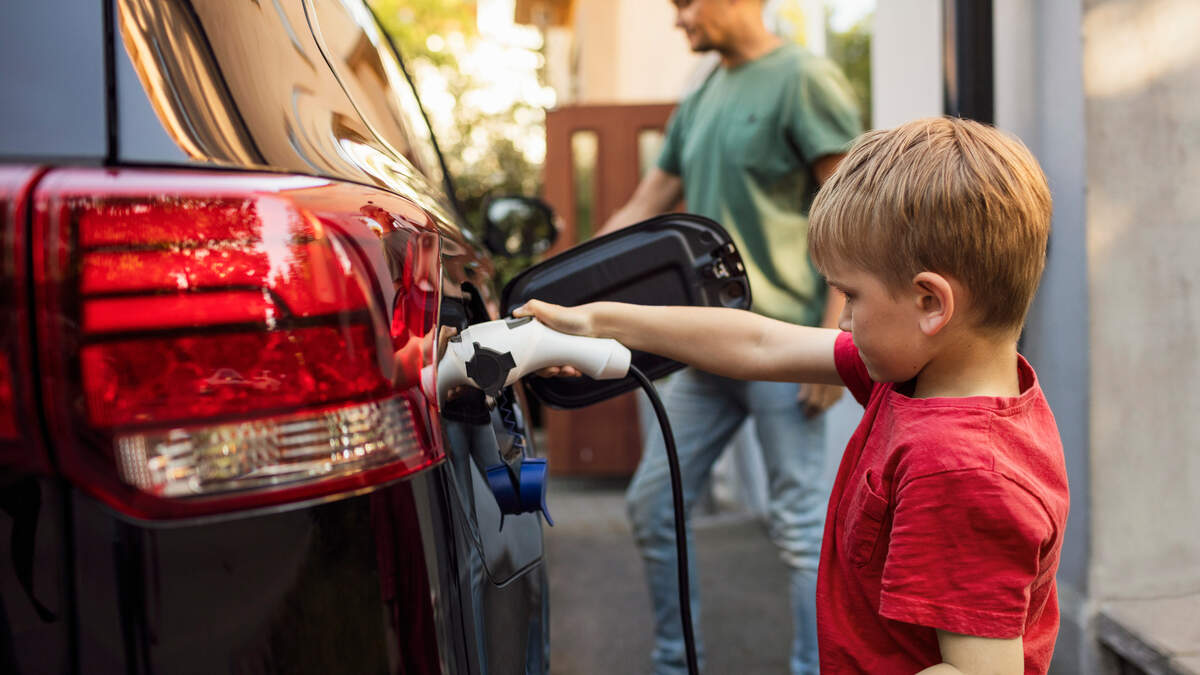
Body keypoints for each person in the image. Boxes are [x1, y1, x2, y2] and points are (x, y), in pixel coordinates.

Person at [519, 116, 1069, 674]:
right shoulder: (925, 375)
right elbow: (759, 341)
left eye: (850, 296)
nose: (845, 321)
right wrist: (601, 323)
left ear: (931, 303)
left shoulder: (961, 472)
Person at [592, 0, 862, 672]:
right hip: (707, 346)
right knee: (654, 505)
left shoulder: (804, 79)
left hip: (786, 346)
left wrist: (836, 338)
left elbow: (856, 212)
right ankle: (675, 664)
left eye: (686, 2)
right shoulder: (703, 89)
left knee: (799, 532)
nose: (678, 18)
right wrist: (569, 279)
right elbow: (647, 201)